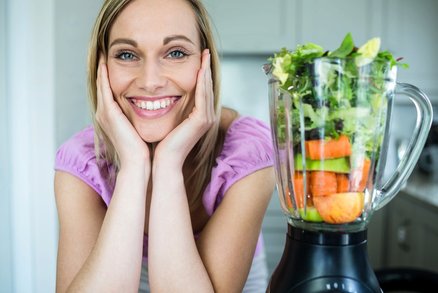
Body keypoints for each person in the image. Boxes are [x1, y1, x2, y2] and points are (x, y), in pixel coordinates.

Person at [53, 0, 275, 292]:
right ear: (101, 68)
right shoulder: (81, 165)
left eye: (176, 52)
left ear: (204, 64)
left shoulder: (247, 154)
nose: (150, 81)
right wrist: (134, 166)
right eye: (127, 54)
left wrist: (168, 163)